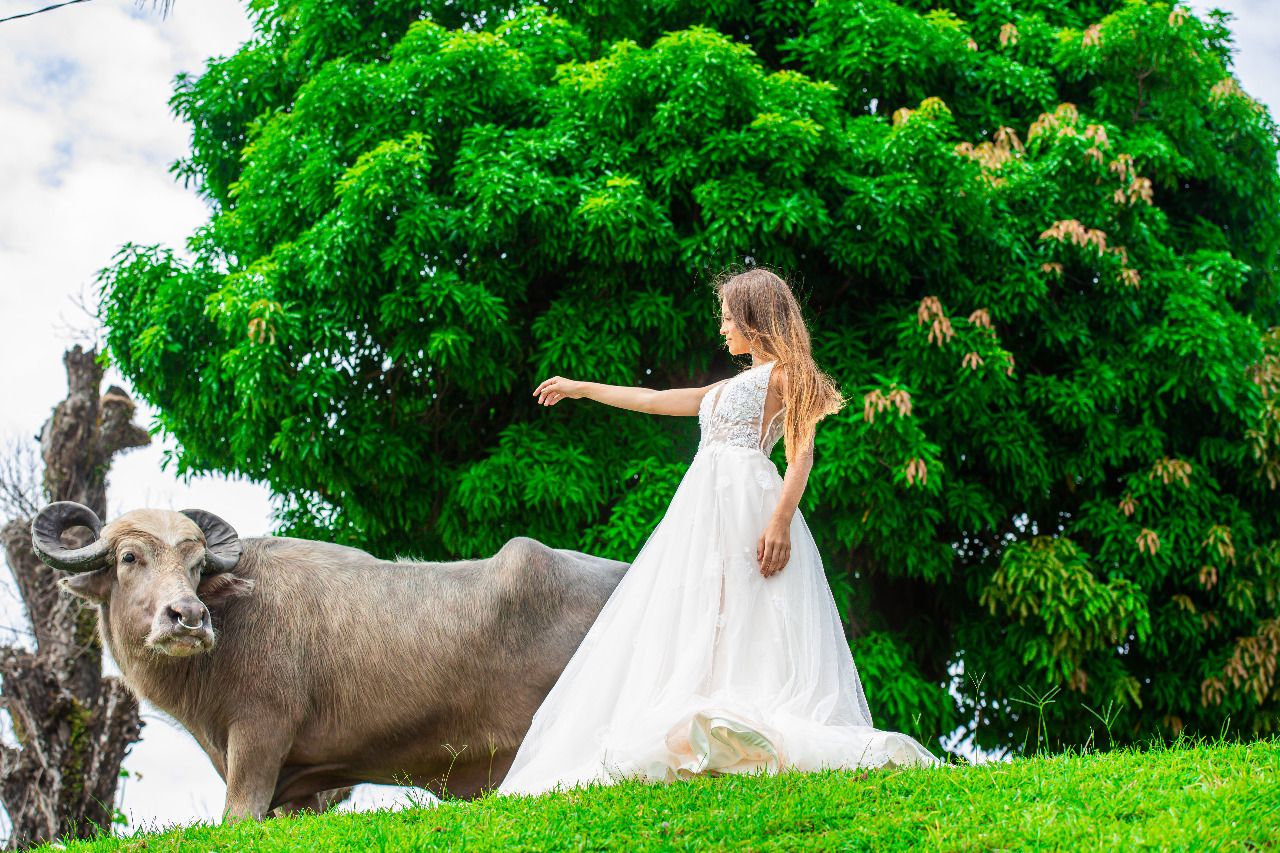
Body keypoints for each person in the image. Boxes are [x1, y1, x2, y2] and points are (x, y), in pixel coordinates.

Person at [496, 267, 942, 796]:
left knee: (754, 608)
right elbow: (653, 398)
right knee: (703, 604)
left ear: (755, 320)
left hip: (748, 501)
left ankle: (748, 724)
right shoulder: (725, 387)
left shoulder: (786, 375)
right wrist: (581, 389)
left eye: (729, 318)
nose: (723, 328)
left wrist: (779, 520)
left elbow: (801, 455)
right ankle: (709, 727)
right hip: (702, 508)